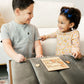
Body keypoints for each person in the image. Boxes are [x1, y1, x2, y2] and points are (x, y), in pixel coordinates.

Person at [1, 0, 43, 83]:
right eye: (29, 13)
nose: (32, 16)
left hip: (31, 63)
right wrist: (15, 56)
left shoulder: (33, 28)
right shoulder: (6, 28)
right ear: (17, 12)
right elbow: (7, 45)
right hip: (15, 63)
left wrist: (39, 54)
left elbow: (37, 45)